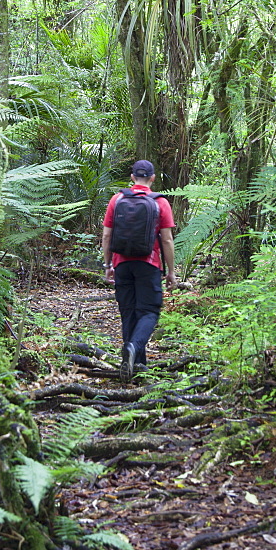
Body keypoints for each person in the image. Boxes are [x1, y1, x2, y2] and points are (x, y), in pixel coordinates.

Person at [102, 160, 177, 383]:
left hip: (122, 263)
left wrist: (107, 265)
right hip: (149, 263)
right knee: (149, 311)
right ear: (152, 178)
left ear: (132, 177)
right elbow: (167, 239)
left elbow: (106, 236)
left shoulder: (117, 199)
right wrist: (171, 271)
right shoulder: (160, 203)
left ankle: (136, 364)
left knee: (128, 311)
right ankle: (134, 349)